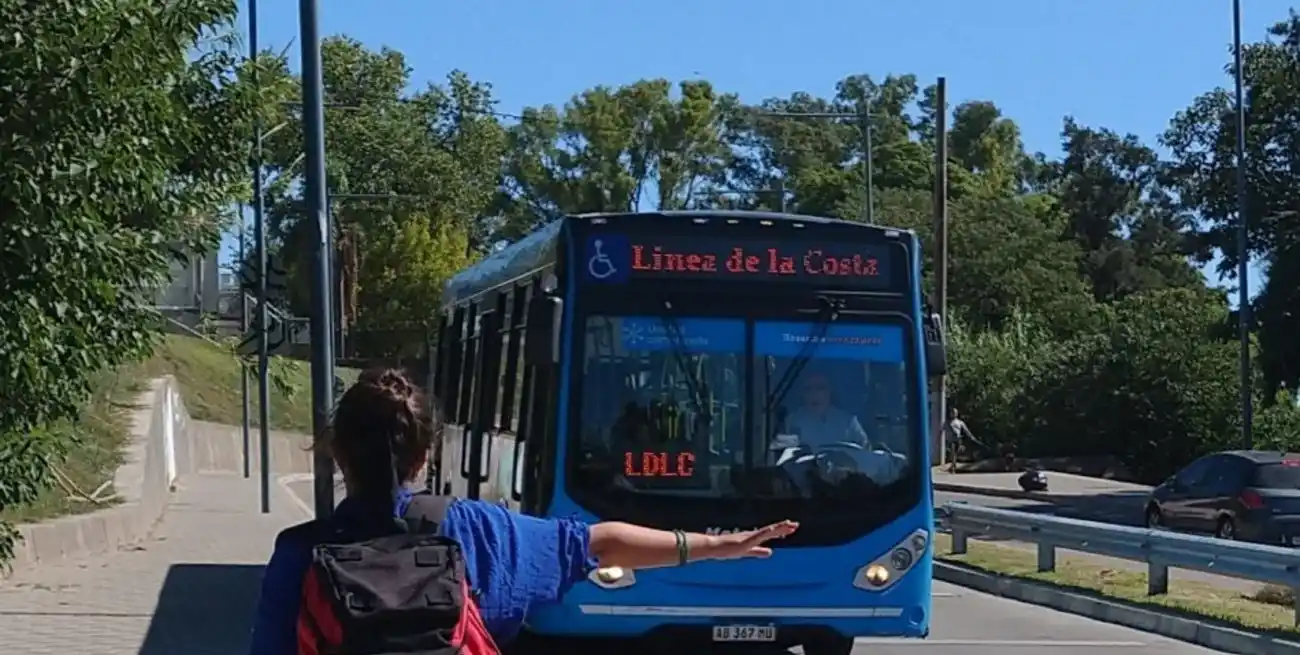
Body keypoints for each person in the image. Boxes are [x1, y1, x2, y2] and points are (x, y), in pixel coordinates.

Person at [247, 368, 798, 653]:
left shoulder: (300, 555)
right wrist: (718, 546)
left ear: (336, 449)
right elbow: (601, 542)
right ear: (425, 453)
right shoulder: (476, 530)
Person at [781, 372, 870, 448]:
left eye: (820, 388)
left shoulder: (849, 423)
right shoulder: (791, 422)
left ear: (830, 390)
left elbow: (864, 452)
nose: (814, 394)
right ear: (802, 393)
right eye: (808, 389)